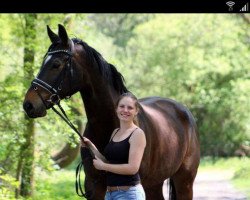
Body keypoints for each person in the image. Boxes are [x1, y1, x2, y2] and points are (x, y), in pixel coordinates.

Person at [81, 92, 146, 200]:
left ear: (136, 111)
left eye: (130, 108)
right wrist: (90, 146)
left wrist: (103, 166)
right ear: (116, 109)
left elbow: (132, 168)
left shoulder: (137, 134)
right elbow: (107, 162)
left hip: (129, 194)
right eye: (122, 106)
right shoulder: (115, 132)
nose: (125, 110)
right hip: (110, 194)